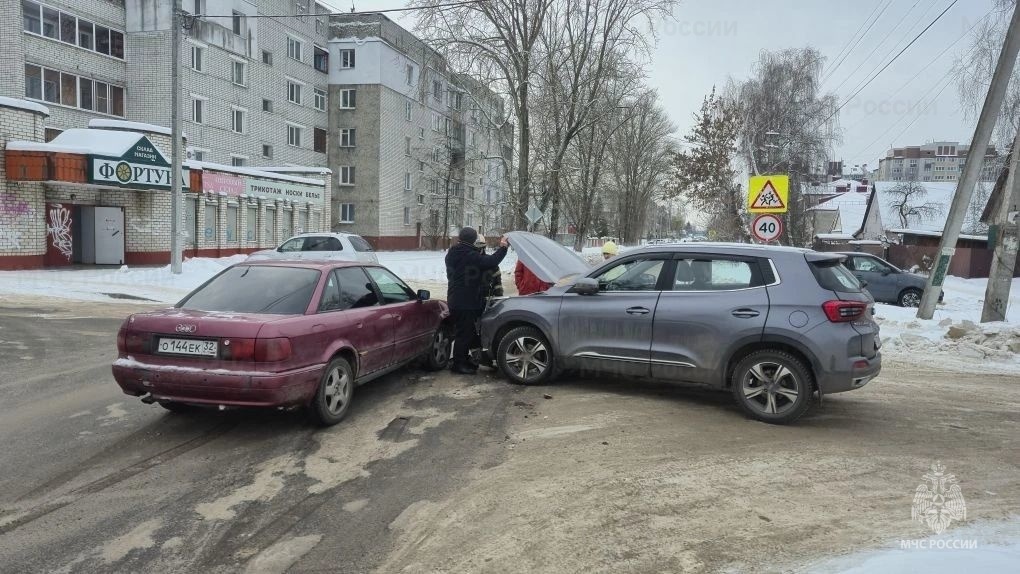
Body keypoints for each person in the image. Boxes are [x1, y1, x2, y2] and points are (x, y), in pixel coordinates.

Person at [446, 227, 508, 374]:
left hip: (455, 299)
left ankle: (463, 359)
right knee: (464, 333)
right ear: (472, 240)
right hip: (465, 302)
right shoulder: (469, 255)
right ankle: (458, 365)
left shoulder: (452, 253)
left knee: (465, 332)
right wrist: (503, 248)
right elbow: (491, 261)